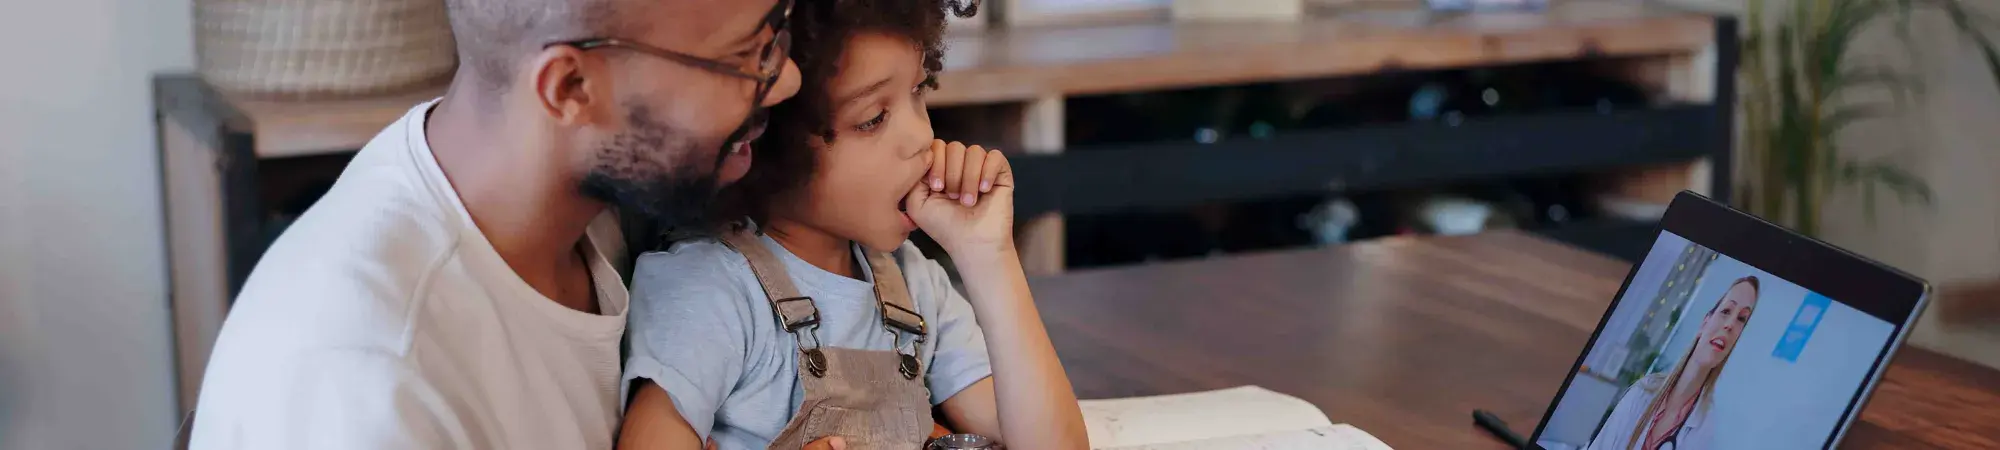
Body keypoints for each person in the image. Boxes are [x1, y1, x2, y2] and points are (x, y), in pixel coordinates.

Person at [185, 0, 844, 448]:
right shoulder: (364, 385)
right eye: (743, 56)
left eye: (775, 30)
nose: (784, 80)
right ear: (570, 89)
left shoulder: (595, 207)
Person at [613, 0, 1091, 448]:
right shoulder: (710, 290)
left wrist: (990, 257)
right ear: (762, 140)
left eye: (918, 90)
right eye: (872, 119)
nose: (922, 136)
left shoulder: (913, 282)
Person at [1587, 276, 1762, 450]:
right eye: (1726, 311)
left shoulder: (1703, 427)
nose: (1730, 325)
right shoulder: (1643, 391)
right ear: (1705, 322)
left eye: (1741, 319)